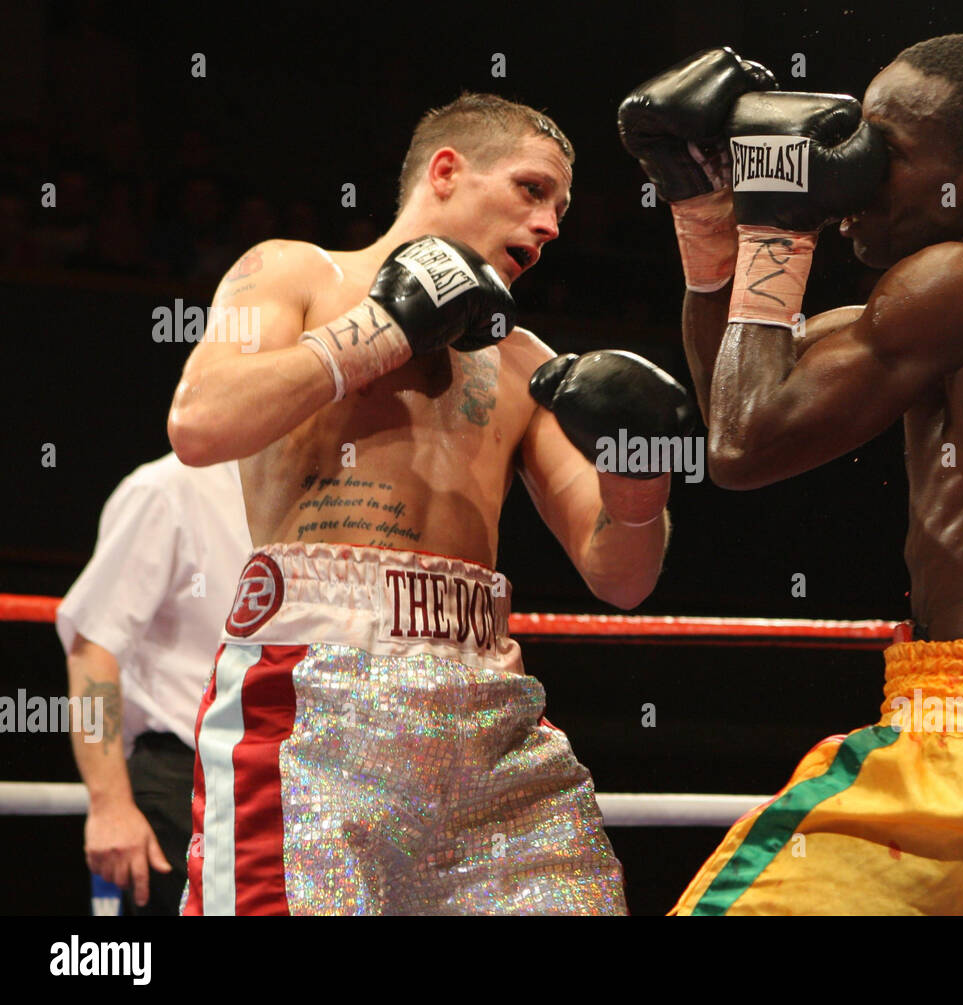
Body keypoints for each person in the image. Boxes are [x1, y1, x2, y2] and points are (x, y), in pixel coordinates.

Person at [620, 39, 963, 915]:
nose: (853, 173)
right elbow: (749, 377)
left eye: (886, 151)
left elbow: (738, 445)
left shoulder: (957, 283)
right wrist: (708, 213)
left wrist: (775, 223)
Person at [167, 94, 689, 915]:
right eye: (530, 189)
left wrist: (642, 475)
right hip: (318, 695)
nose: (550, 223)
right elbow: (200, 422)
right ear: (447, 171)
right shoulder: (297, 272)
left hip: (493, 717)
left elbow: (621, 575)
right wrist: (384, 327)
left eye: (560, 207)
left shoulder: (528, 362)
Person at [57, 453, 248, 914]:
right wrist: (109, 806)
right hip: (180, 781)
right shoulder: (166, 491)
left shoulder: (311, 498)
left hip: (284, 784)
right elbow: (92, 650)